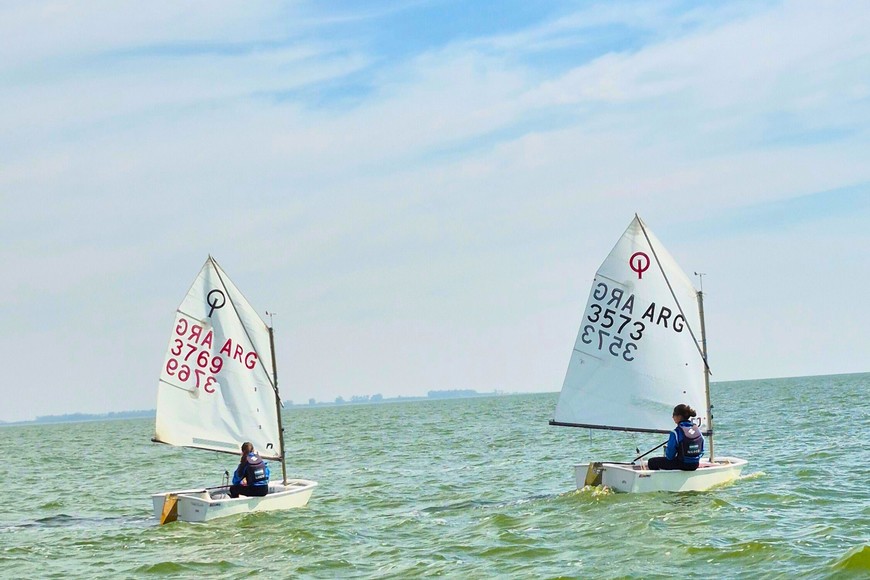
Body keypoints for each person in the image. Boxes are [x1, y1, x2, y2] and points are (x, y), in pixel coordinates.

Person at [647, 404, 705, 471]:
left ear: (679, 416)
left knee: (651, 462)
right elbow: (702, 450)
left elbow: (670, 456)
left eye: (674, 415)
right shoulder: (697, 430)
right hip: (695, 464)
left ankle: (660, 480)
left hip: (682, 464)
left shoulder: (675, 432)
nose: (672, 417)